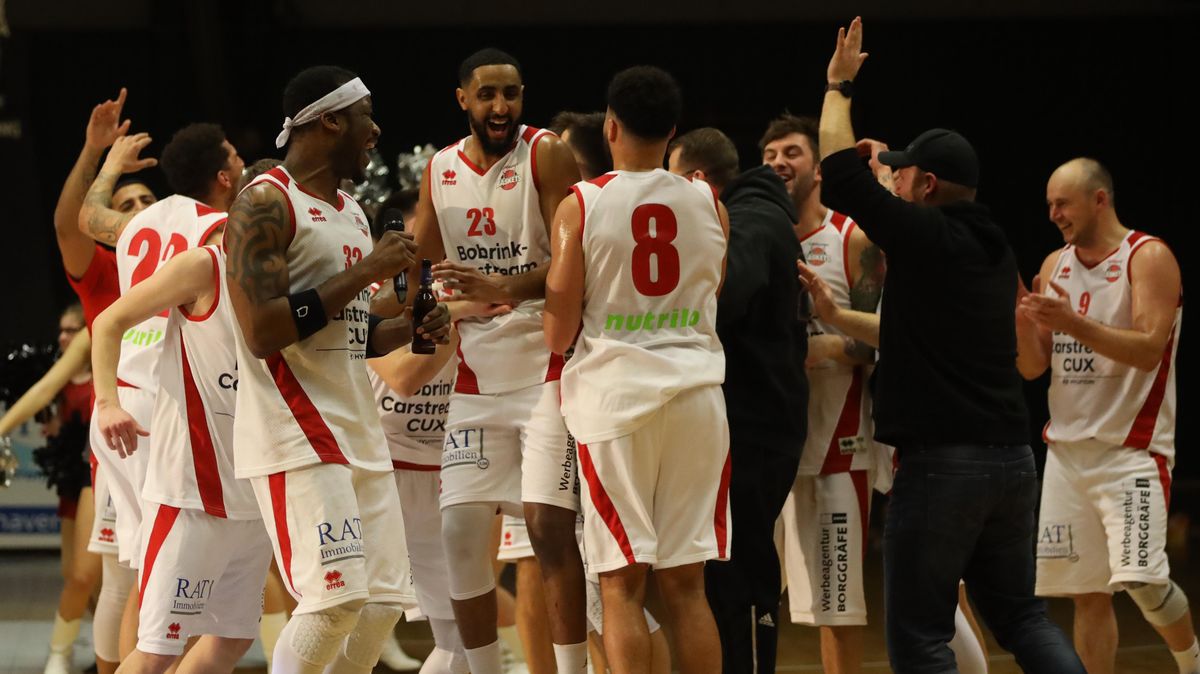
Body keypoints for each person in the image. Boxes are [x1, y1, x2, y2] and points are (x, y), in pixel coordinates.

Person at [816, 17, 1084, 673]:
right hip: (1010, 461)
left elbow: (837, 174)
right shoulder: (992, 244)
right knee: (1023, 619)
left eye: (905, 176)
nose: (896, 182)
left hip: (943, 465)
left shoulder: (927, 239)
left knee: (919, 637)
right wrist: (890, 170)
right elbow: (910, 324)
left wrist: (839, 86)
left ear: (928, 186)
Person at [224, 65, 448, 674]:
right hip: (297, 429)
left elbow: (351, 331)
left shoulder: (350, 211)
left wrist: (412, 328)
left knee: (380, 606)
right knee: (334, 603)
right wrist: (368, 271)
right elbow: (264, 331)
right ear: (328, 121)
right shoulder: (265, 201)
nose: (375, 131)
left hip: (358, 430)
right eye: (365, 117)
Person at [545, 65, 729, 674]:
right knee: (688, 587)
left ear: (610, 126)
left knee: (621, 584)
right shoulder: (709, 202)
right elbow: (711, 296)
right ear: (673, 130)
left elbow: (558, 333)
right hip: (698, 397)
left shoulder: (582, 204)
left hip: (616, 402)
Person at [409, 47, 586, 674]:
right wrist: (418, 306)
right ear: (463, 99)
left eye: (510, 93)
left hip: (546, 371)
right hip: (476, 381)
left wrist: (501, 286)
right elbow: (420, 265)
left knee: (547, 529)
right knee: (458, 533)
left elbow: (574, 262)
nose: (500, 105)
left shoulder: (546, 153)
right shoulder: (440, 169)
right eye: (487, 94)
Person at [1017, 158, 1199, 674]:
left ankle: (1192, 663)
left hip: (1131, 451)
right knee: (1087, 594)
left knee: (1144, 581)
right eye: (1049, 204)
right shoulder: (1055, 264)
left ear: (1099, 199)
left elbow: (1148, 349)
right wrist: (1021, 320)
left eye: (1062, 203)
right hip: (1067, 455)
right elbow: (1032, 367)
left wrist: (1073, 322)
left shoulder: (1148, 255)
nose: (1053, 214)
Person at [91, 239, 274, 674]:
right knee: (157, 650)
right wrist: (107, 402)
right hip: (190, 495)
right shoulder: (205, 264)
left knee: (232, 640)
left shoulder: (298, 268)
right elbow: (108, 321)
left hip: (254, 493)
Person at [667, 126, 806, 674]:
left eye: (673, 182)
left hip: (756, 428)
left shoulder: (751, 221)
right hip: (753, 423)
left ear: (699, 181)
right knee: (726, 566)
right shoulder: (759, 216)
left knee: (741, 566)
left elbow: (723, 302)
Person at [50, 89, 157, 674]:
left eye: (147, 200)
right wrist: (96, 153)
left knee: (173, 577)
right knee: (120, 577)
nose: (138, 208)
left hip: (180, 436)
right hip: (121, 443)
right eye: (126, 202)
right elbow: (67, 223)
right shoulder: (101, 272)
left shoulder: (182, 265)